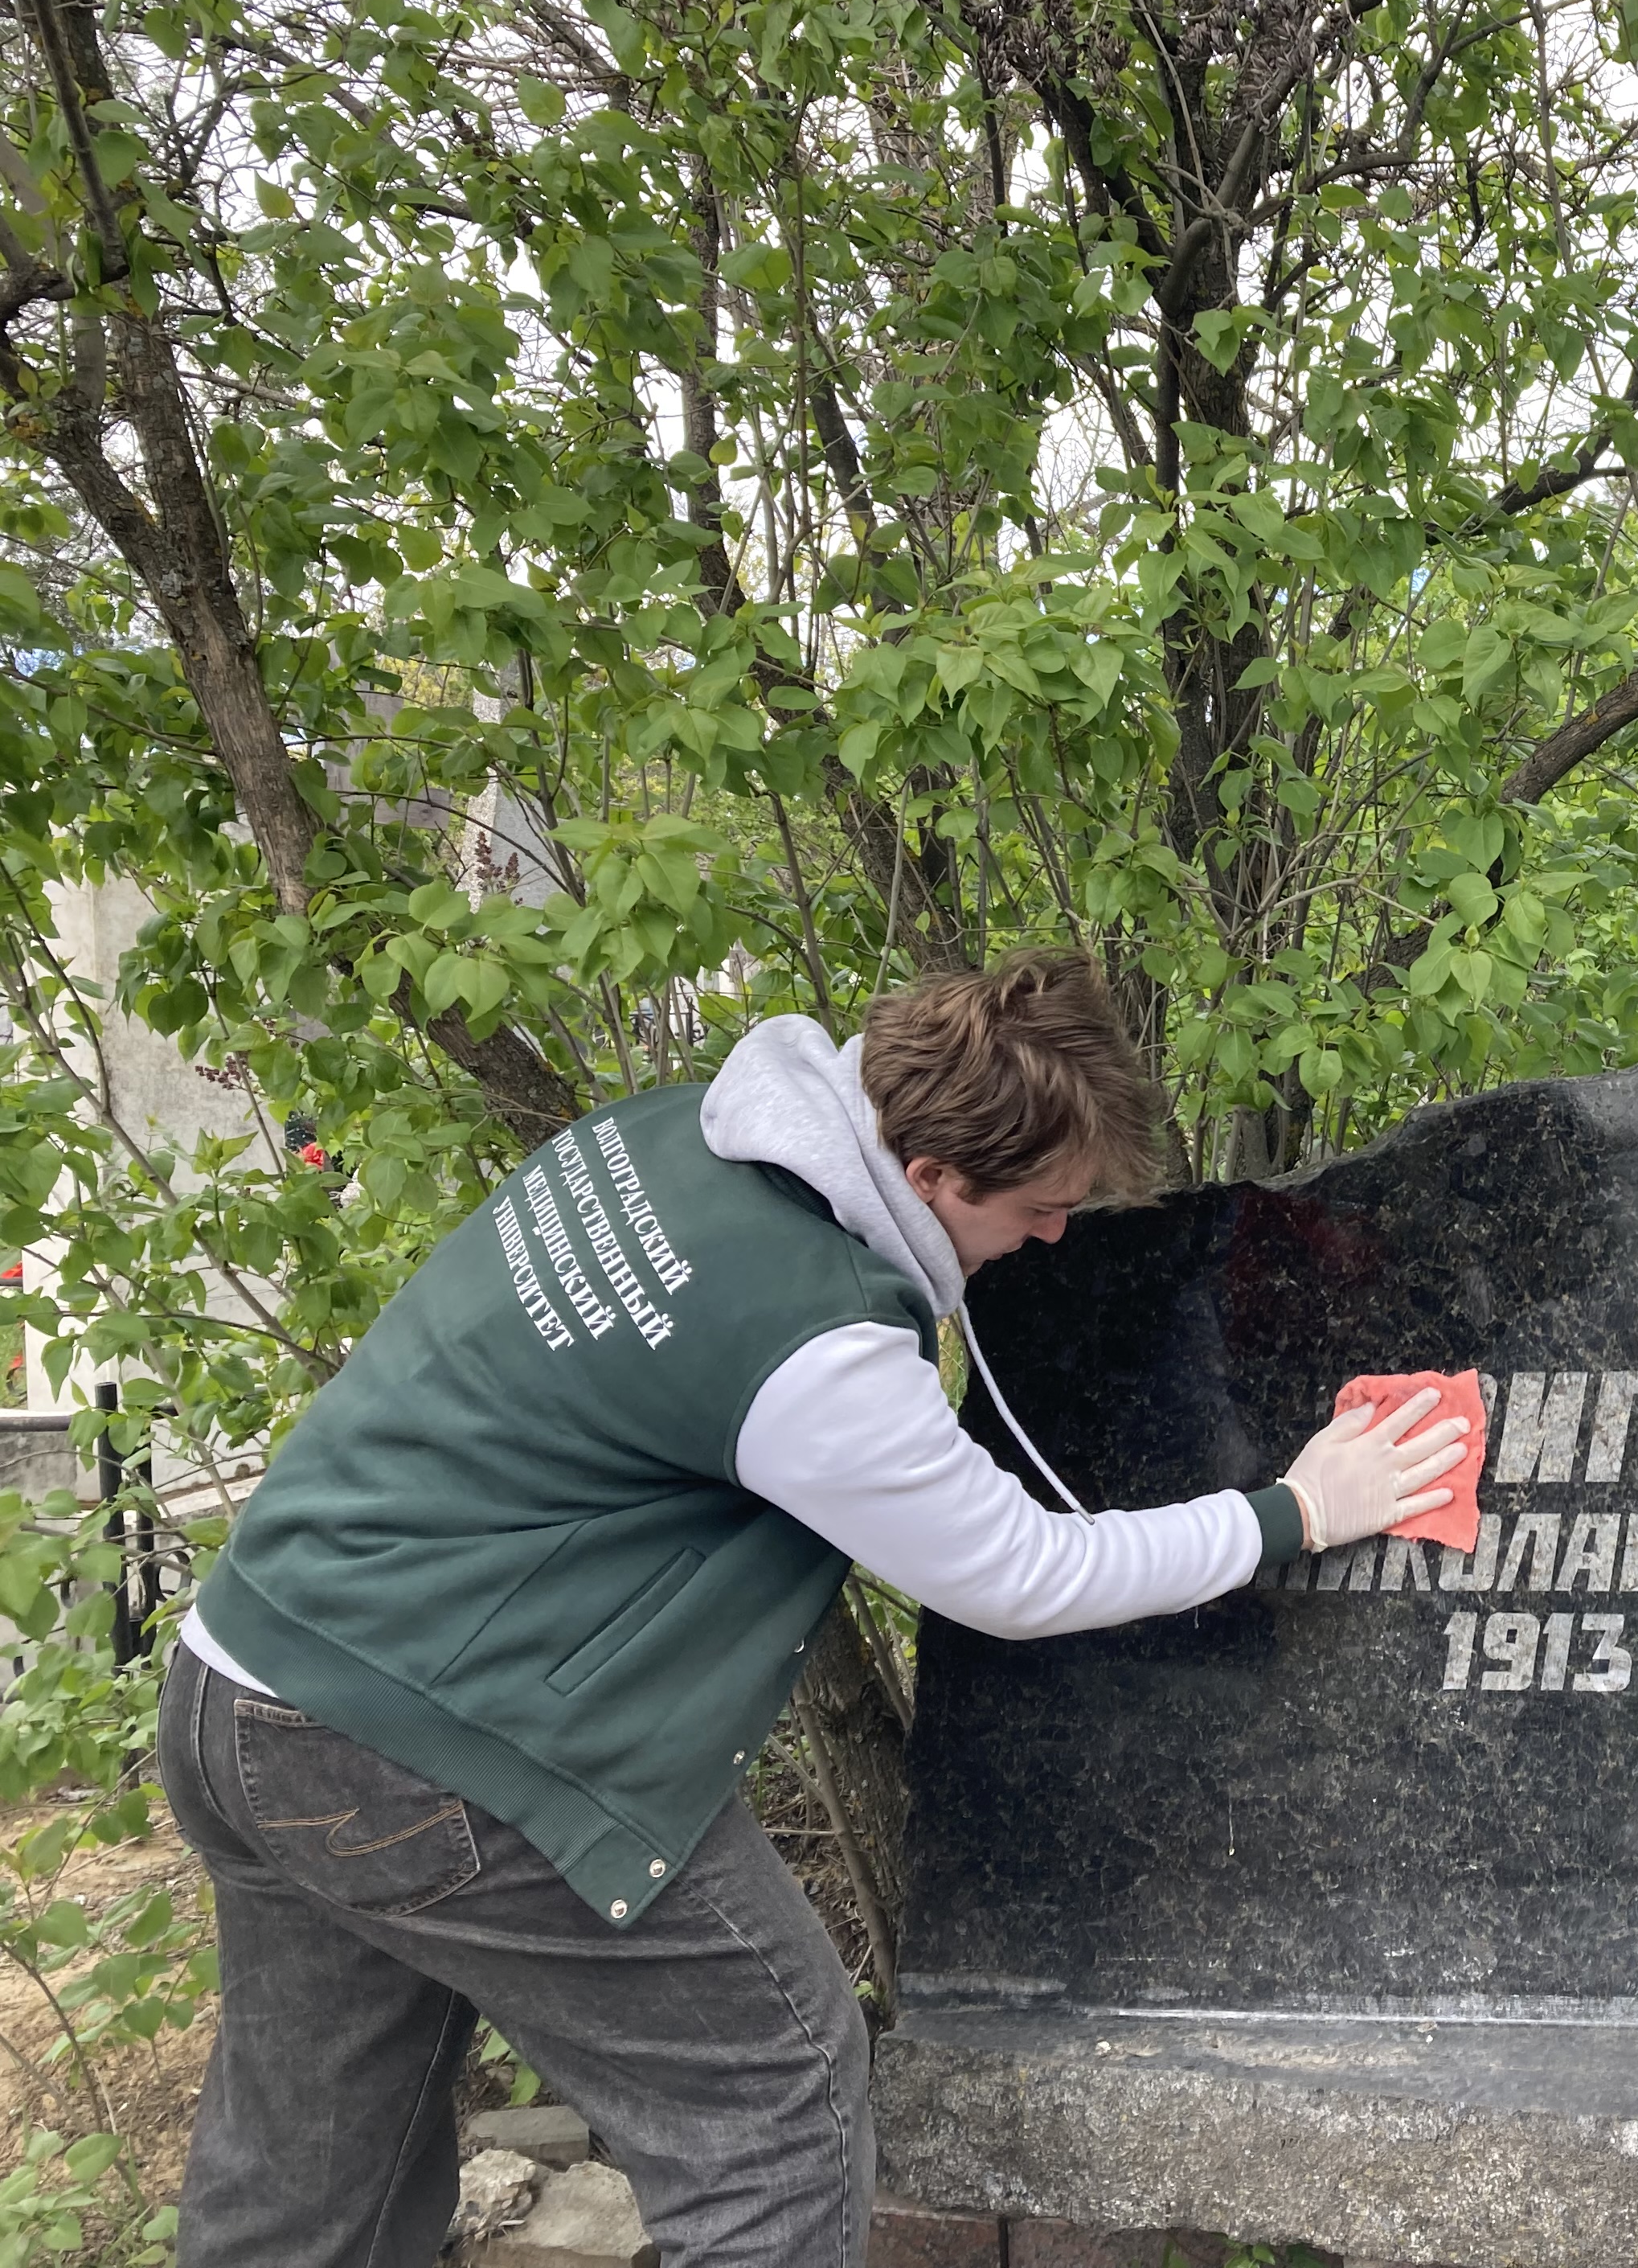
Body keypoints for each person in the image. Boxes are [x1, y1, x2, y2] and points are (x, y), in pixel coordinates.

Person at [158, 949, 1464, 2266]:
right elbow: (1021, 1574)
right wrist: (1299, 1511)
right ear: (933, 1176)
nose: (1056, 1236)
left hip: (246, 1681)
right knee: (774, 2112)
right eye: (1039, 1209)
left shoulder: (673, 1134)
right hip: (435, 1750)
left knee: (311, 2185)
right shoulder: (811, 1335)